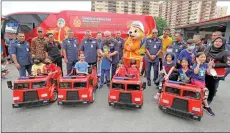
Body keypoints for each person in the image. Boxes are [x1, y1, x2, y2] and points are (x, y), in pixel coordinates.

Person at [204, 37, 230, 104]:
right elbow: (203, 56)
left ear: (223, 43)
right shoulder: (208, 48)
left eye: (220, 41)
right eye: (216, 41)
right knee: (203, 85)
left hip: (215, 73)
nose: (217, 43)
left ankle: (209, 99)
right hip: (205, 70)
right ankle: (203, 98)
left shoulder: (225, 53)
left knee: (211, 87)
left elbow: (228, 64)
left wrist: (215, 65)